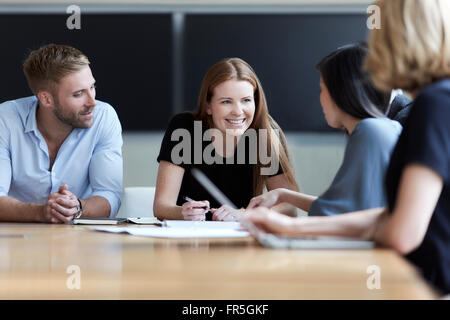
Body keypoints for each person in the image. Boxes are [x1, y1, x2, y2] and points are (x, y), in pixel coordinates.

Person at [244, 0, 450, 295]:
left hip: (421, 287)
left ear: (399, 37)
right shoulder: (435, 101)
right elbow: (390, 214)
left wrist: (294, 228)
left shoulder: (433, 105)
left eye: (379, 37)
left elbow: (401, 232)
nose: (373, 55)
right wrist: (289, 228)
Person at [248, 43, 401, 216]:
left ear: (342, 91)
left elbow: (341, 213)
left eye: (322, 88)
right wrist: (282, 194)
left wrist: (283, 225)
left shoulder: (369, 131)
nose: (320, 99)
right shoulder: (383, 127)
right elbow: (338, 206)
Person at [154, 57, 298, 221]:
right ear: (208, 106)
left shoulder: (263, 133)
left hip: (241, 239)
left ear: (256, 103)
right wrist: (182, 212)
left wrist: (245, 214)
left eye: (246, 100)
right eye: (226, 102)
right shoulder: (184, 127)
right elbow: (161, 207)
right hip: (191, 239)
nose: (238, 111)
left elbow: (289, 207)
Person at [0, 44, 123, 223]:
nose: (92, 102)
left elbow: (109, 194)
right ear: (46, 99)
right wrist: (41, 212)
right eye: (79, 94)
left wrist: (77, 207)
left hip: (81, 240)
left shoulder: (104, 117)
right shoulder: (5, 119)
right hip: (15, 238)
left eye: (92, 87)